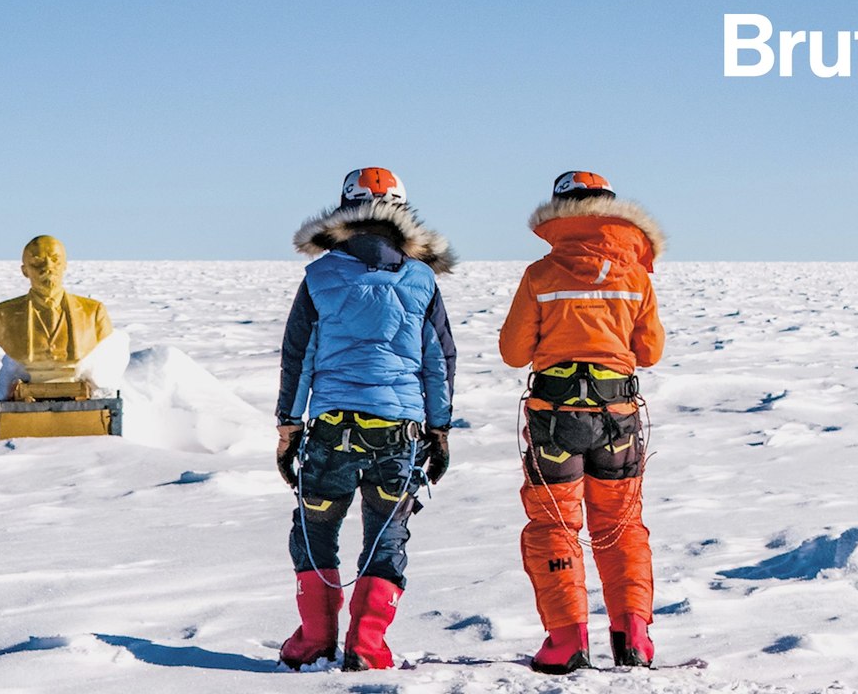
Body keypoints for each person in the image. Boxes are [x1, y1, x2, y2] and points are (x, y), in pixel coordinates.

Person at [274, 167, 457, 672]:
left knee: (314, 527)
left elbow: (298, 357)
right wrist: (439, 431)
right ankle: (367, 645)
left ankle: (314, 640)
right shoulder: (422, 279)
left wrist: (288, 427)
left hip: (331, 429)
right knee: (388, 534)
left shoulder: (320, 276)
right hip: (399, 433)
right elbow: (438, 362)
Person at [499, 171, 666, 673]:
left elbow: (513, 353)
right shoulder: (636, 276)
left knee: (555, 524)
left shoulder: (541, 274)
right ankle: (634, 636)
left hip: (555, 418)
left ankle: (566, 641)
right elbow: (650, 352)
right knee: (621, 525)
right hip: (619, 417)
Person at [0, 235, 124, 398]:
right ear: (24, 270)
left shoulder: (93, 312)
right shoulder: (3, 314)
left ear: (65, 265)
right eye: (37, 261)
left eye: (55, 259)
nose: (48, 267)